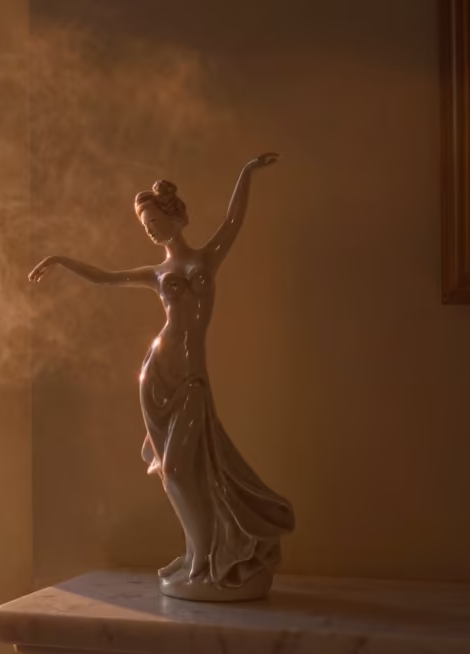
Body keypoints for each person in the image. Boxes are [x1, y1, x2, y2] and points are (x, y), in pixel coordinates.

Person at [29, 153, 295, 601]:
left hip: (191, 377)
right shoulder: (157, 273)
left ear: (177, 218)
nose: (151, 231)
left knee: (182, 468)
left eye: (155, 222)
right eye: (146, 227)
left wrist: (246, 172)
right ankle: (195, 554)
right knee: (174, 473)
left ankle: (206, 560)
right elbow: (105, 277)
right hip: (157, 376)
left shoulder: (207, 257)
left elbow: (234, 219)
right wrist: (59, 260)